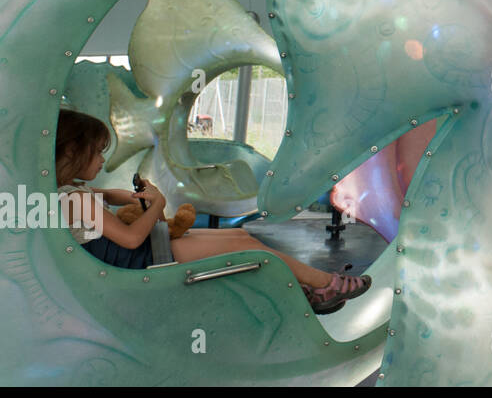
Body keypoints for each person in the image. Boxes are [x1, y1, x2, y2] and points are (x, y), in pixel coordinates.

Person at [55, 110, 370, 314]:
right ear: (71, 152)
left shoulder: (72, 191)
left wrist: (142, 195)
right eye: (96, 152)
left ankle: (308, 288)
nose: (100, 160)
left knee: (240, 233)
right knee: (245, 246)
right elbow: (131, 238)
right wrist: (159, 205)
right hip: (142, 257)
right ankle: (324, 284)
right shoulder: (73, 199)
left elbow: (113, 195)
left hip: (146, 248)